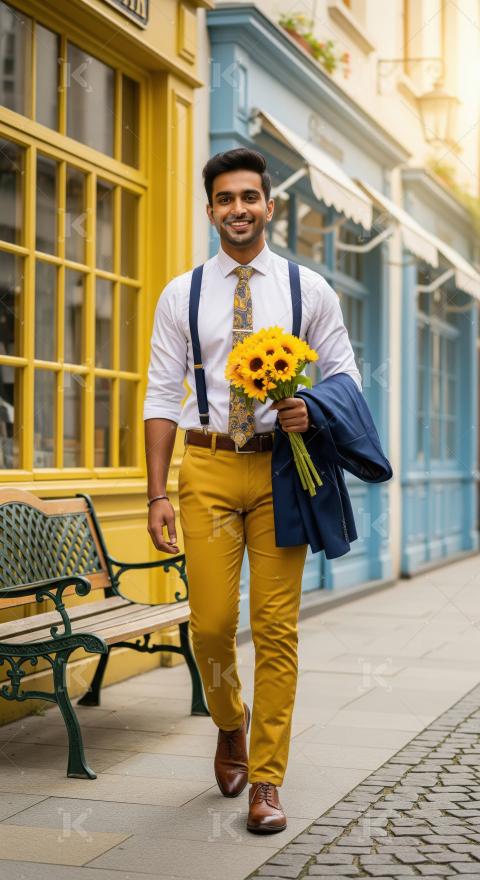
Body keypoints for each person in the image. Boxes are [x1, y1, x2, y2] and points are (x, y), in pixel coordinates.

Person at [143, 147, 362, 834]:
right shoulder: (183, 293)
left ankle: (267, 779)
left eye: (250, 197)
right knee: (209, 627)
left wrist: (312, 408)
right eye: (225, 199)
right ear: (210, 210)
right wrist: (156, 494)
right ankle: (229, 720)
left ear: (270, 206)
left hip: (280, 473)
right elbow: (159, 392)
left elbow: (345, 378)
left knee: (274, 630)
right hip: (206, 468)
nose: (238, 208)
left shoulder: (309, 290)